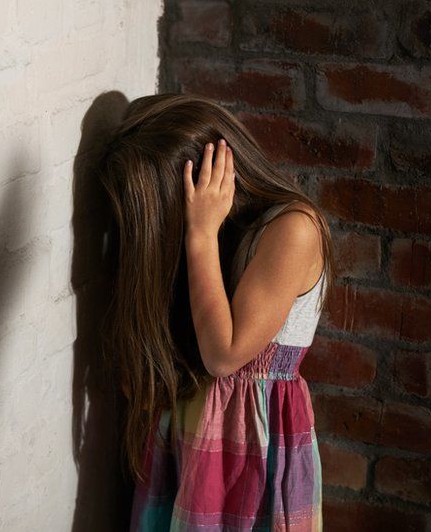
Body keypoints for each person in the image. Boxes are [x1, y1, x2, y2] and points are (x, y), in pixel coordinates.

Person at [96, 93, 335, 531]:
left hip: (253, 452)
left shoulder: (292, 228)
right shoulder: (209, 240)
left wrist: (201, 234)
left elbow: (225, 356)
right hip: (189, 444)